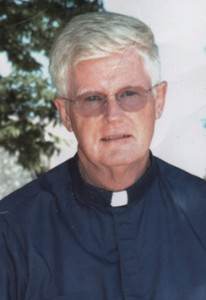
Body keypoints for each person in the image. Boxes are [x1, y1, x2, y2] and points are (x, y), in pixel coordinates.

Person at [0, 11, 206, 300]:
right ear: (65, 114)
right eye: (92, 99)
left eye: (130, 94)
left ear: (158, 101)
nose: (113, 116)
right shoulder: (10, 233)